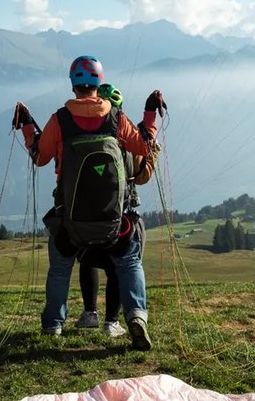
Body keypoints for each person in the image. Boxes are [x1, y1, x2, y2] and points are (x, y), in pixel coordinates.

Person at [13, 55, 165, 351]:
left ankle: (54, 325)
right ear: (98, 82)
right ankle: (136, 316)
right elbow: (144, 147)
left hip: (70, 220)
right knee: (130, 261)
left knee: (60, 267)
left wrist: (27, 126)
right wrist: (149, 116)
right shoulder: (116, 118)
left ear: (73, 85)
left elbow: (40, 157)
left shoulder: (60, 119)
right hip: (114, 220)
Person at [74, 83, 158, 338]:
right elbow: (142, 176)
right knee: (119, 266)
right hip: (122, 217)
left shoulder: (82, 139)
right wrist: (150, 127)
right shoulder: (128, 139)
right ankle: (113, 322)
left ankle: (89, 312)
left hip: (85, 213)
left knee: (88, 259)